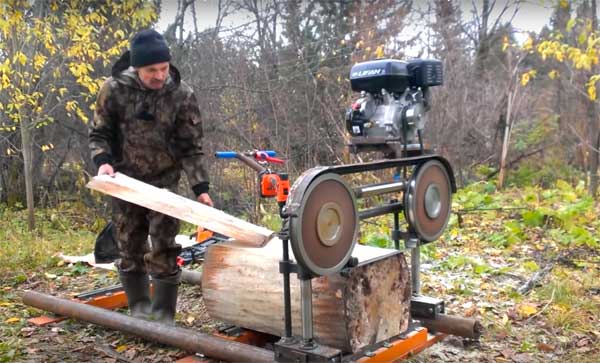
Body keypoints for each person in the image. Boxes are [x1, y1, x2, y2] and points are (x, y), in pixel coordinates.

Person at [89, 29, 212, 325]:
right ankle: (140, 307)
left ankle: (164, 314)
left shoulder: (181, 94)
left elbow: (190, 147)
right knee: (129, 243)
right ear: (136, 67)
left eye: (164, 68)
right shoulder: (114, 89)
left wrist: (201, 189)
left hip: (165, 183)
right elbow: (99, 133)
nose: (159, 76)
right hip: (125, 181)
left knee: (164, 245)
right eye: (151, 70)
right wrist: (103, 163)